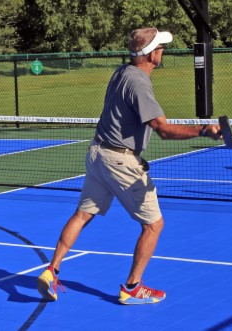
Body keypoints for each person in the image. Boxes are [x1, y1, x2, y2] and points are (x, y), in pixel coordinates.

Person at [37, 27, 221, 304]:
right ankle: (133, 287)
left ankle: (52, 270)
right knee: (153, 225)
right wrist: (204, 130)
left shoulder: (122, 71)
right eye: (159, 47)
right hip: (119, 160)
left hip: (98, 153)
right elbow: (163, 130)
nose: (163, 51)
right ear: (150, 54)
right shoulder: (139, 83)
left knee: (83, 214)